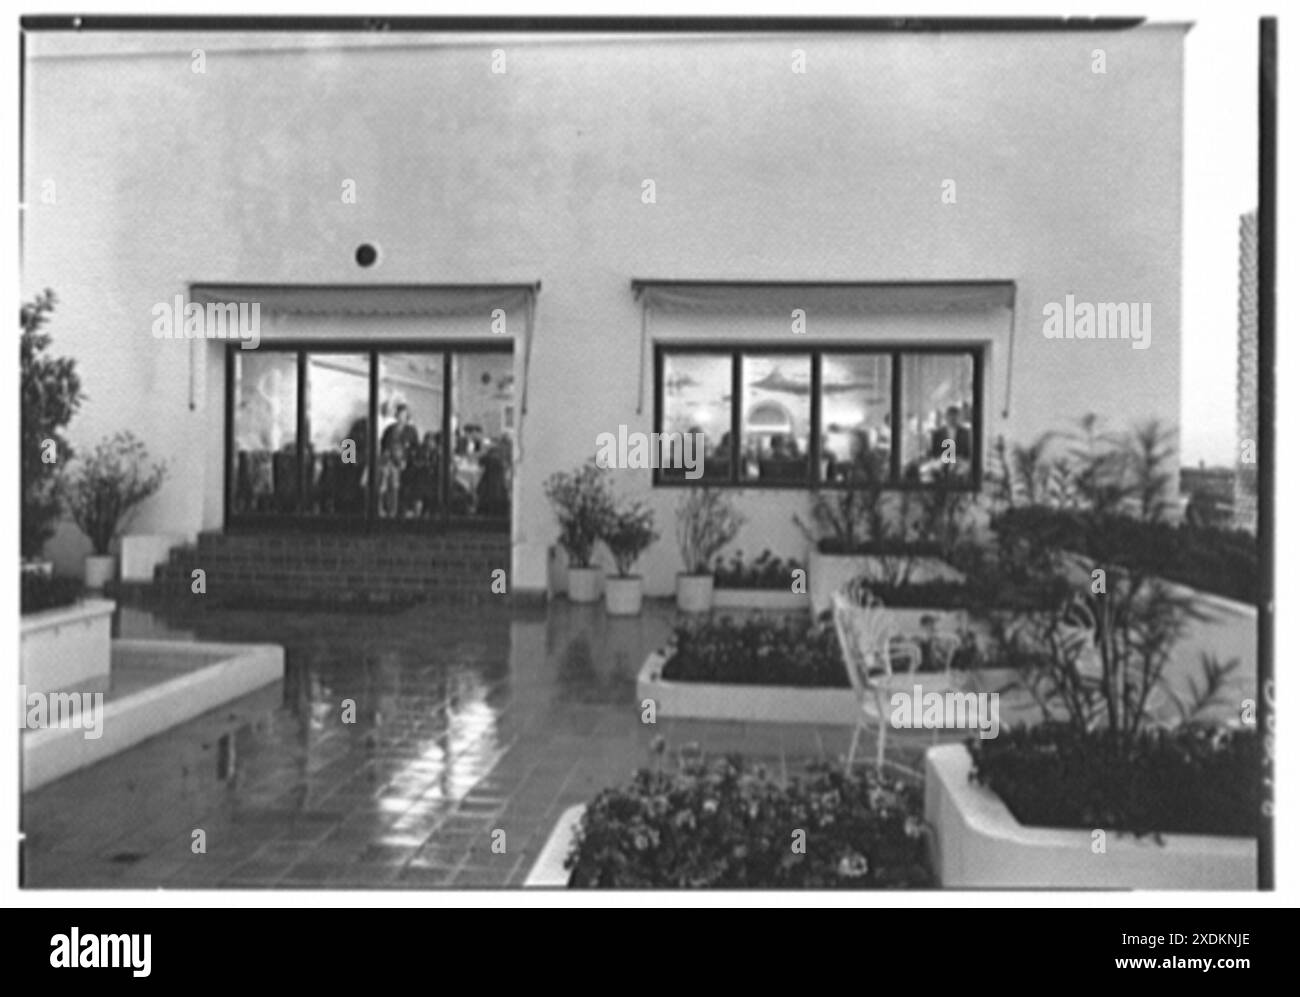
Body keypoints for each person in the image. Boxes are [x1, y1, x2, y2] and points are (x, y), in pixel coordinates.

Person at [380, 404, 419, 516]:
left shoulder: (411, 430)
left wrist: (406, 459)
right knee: (384, 479)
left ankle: (394, 510)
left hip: (404, 463)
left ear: (407, 416)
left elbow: (415, 448)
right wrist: (386, 454)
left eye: (403, 415)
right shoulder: (389, 429)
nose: (401, 417)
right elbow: (384, 445)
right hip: (388, 460)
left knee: (395, 483)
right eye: (399, 414)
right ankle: (384, 509)